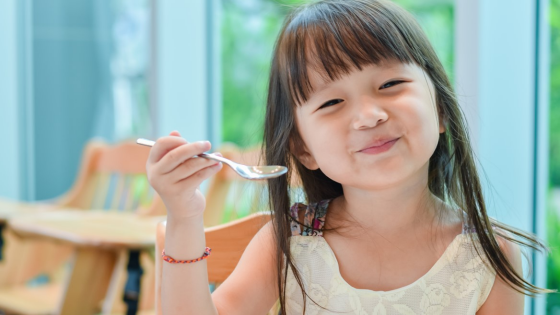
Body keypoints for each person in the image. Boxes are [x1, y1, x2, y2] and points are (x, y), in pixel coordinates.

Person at [146, 0, 551, 314]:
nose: (369, 116)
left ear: (441, 110)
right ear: (303, 148)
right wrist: (184, 216)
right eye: (332, 102)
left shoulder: (488, 255)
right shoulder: (290, 241)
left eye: (391, 83)